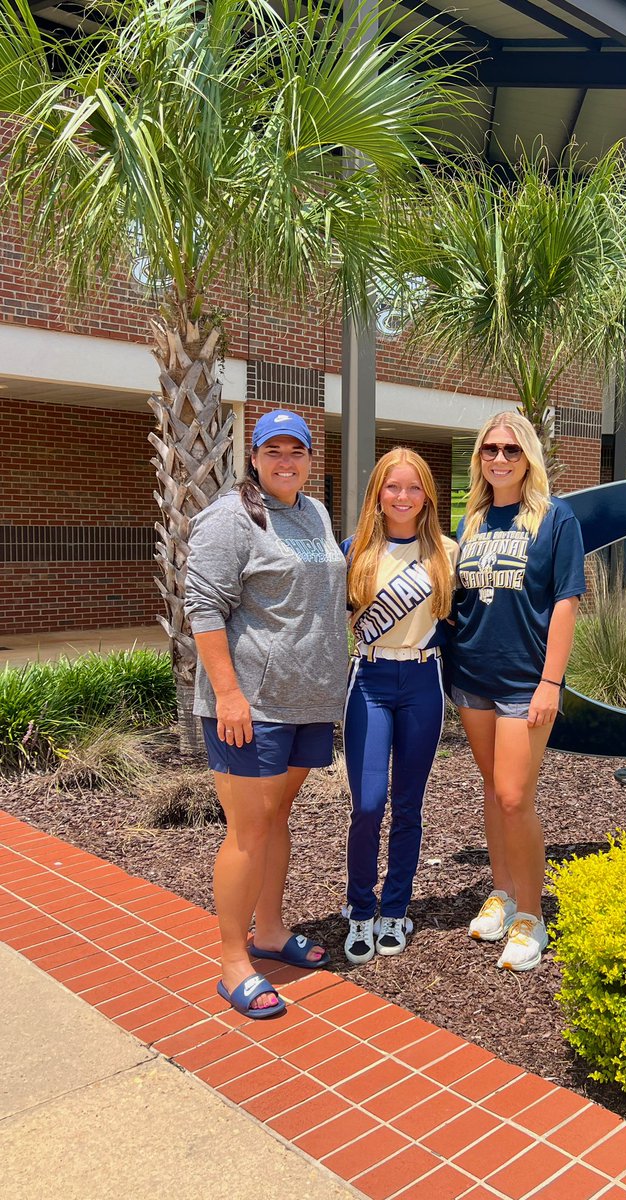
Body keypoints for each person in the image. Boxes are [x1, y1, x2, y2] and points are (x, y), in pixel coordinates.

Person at [185, 409, 347, 1018]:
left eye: (296, 451)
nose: (286, 461)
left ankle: (272, 932)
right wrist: (229, 696)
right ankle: (233, 963)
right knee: (248, 830)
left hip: (307, 701)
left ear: (310, 459)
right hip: (250, 705)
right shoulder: (231, 518)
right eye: (272, 451)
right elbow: (203, 608)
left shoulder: (313, 512)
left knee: (277, 817)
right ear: (253, 457)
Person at [452, 410, 585, 972]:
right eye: (490, 449)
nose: (500, 458)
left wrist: (551, 681)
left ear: (528, 455)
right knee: (492, 786)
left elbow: (566, 601)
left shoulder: (556, 520)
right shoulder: (473, 521)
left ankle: (532, 914)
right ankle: (503, 893)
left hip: (524, 683)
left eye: (511, 449)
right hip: (471, 678)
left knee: (514, 795)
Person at [341, 448, 458, 964]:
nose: (403, 497)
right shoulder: (355, 551)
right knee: (367, 805)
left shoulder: (446, 554)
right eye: (393, 487)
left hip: (421, 680)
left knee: (409, 804)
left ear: (427, 495)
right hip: (368, 678)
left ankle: (395, 909)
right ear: (378, 494)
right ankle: (359, 908)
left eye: (414, 488)